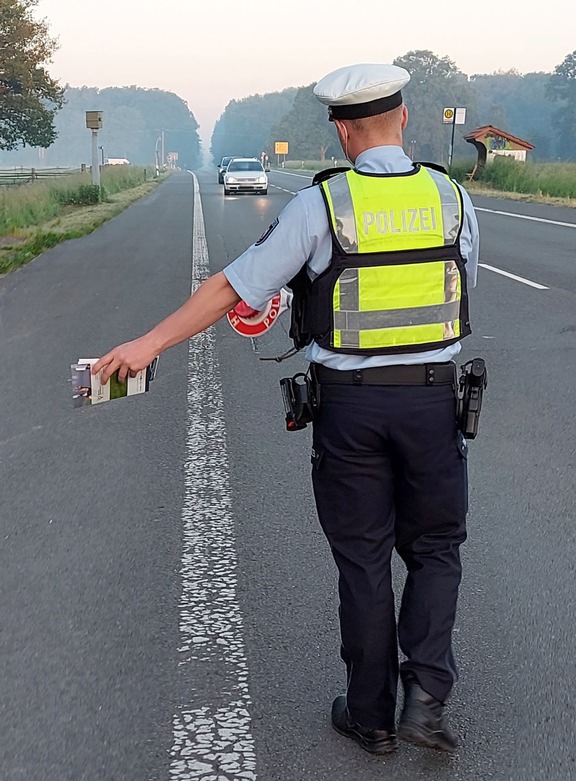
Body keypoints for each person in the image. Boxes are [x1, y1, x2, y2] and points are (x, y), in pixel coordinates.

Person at [92, 62, 480, 756]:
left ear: (340, 131)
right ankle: (427, 698)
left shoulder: (321, 206)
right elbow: (461, 282)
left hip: (352, 410)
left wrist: (149, 343)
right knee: (435, 552)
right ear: (406, 121)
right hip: (432, 401)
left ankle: (371, 715)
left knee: (363, 559)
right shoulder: (450, 197)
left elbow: (234, 287)